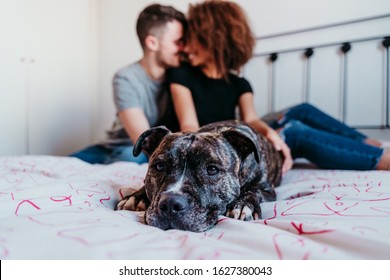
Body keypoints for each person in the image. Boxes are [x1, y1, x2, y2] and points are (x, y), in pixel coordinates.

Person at [167, 0, 390, 171]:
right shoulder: (182, 75)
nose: (185, 48)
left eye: (191, 39)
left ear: (212, 38)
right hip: (216, 143)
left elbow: (251, 120)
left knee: (300, 111)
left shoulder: (239, 83)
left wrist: (270, 134)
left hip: (245, 131)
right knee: (293, 131)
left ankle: (372, 143)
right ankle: (381, 159)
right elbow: (189, 126)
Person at [70, 4, 186, 164]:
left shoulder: (182, 76)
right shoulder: (126, 78)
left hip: (144, 151)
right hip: (120, 146)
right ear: (152, 43)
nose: (184, 48)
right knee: (61, 165)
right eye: (178, 42)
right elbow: (143, 139)